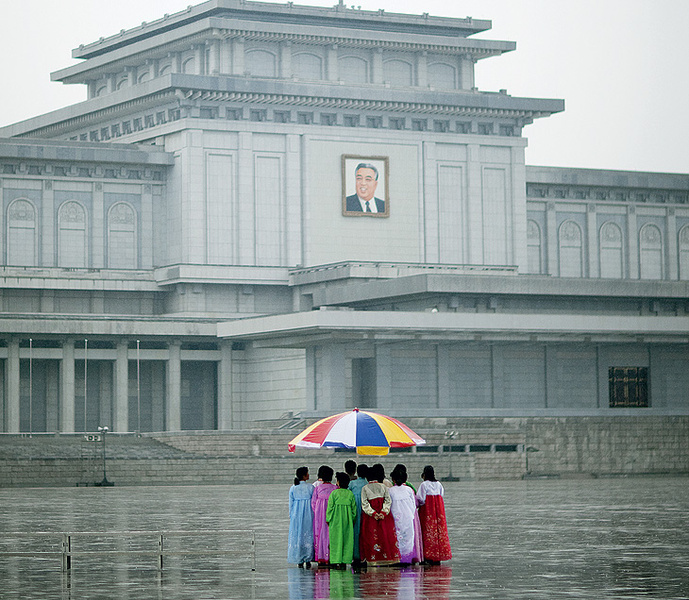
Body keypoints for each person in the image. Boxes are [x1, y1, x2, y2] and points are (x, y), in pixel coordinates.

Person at [359, 463, 399, 565]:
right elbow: (388, 501)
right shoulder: (383, 487)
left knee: (371, 536)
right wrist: (383, 512)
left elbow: (364, 504)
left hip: (370, 518)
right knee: (385, 535)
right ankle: (388, 558)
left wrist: (373, 513)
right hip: (384, 517)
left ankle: (373, 559)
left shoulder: (365, 488)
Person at [416, 465, 452, 564]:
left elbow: (421, 499)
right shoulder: (439, 484)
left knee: (427, 532)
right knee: (438, 532)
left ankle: (428, 555)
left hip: (427, 512)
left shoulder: (424, 485)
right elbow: (441, 496)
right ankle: (438, 554)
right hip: (438, 512)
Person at [389, 467, 423, 565]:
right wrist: (411, 515)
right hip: (408, 517)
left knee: (398, 538)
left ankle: (398, 558)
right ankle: (408, 558)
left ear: (393, 480)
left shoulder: (391, 490)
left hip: (396, 518)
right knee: (408, 538)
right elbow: (414, 505)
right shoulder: (409, 490)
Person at [326, 472, 357, 567]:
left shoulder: (334, 493)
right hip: (347, 522)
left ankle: (336, 560)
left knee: (335, 540)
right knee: (347, 540)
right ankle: (345, 559)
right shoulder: (350, 494)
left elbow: (330, 508)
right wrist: (352, 520)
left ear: (338, 482)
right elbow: (354, 511)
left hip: (335, 521)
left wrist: (328, 519)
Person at [288, 466, 314, 567]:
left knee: (298, 535)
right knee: (308, 535)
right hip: (308, 514)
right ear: (304, 475)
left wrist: (292, 516)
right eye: (307, 473)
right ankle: (308, 557)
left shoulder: (293, 488)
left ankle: (299, 558)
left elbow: (291, 504)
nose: (308, 475)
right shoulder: (311, 487)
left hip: (296, 515)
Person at [311, 465, 337, 565]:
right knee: (331, 534)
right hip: (332, 516)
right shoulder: (335, 488)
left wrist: (317, 513)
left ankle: (321, 556)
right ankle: (331, 555)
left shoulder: (317, 488)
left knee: (320, 534)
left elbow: (313, 503)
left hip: (319, 516)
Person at [348, 463, 368, 564]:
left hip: (355, 509)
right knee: (364, 532)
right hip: (366, 510)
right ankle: (364, 555)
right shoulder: (367, 484)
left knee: (355, 532)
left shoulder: (352, 484)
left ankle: (355, 555)